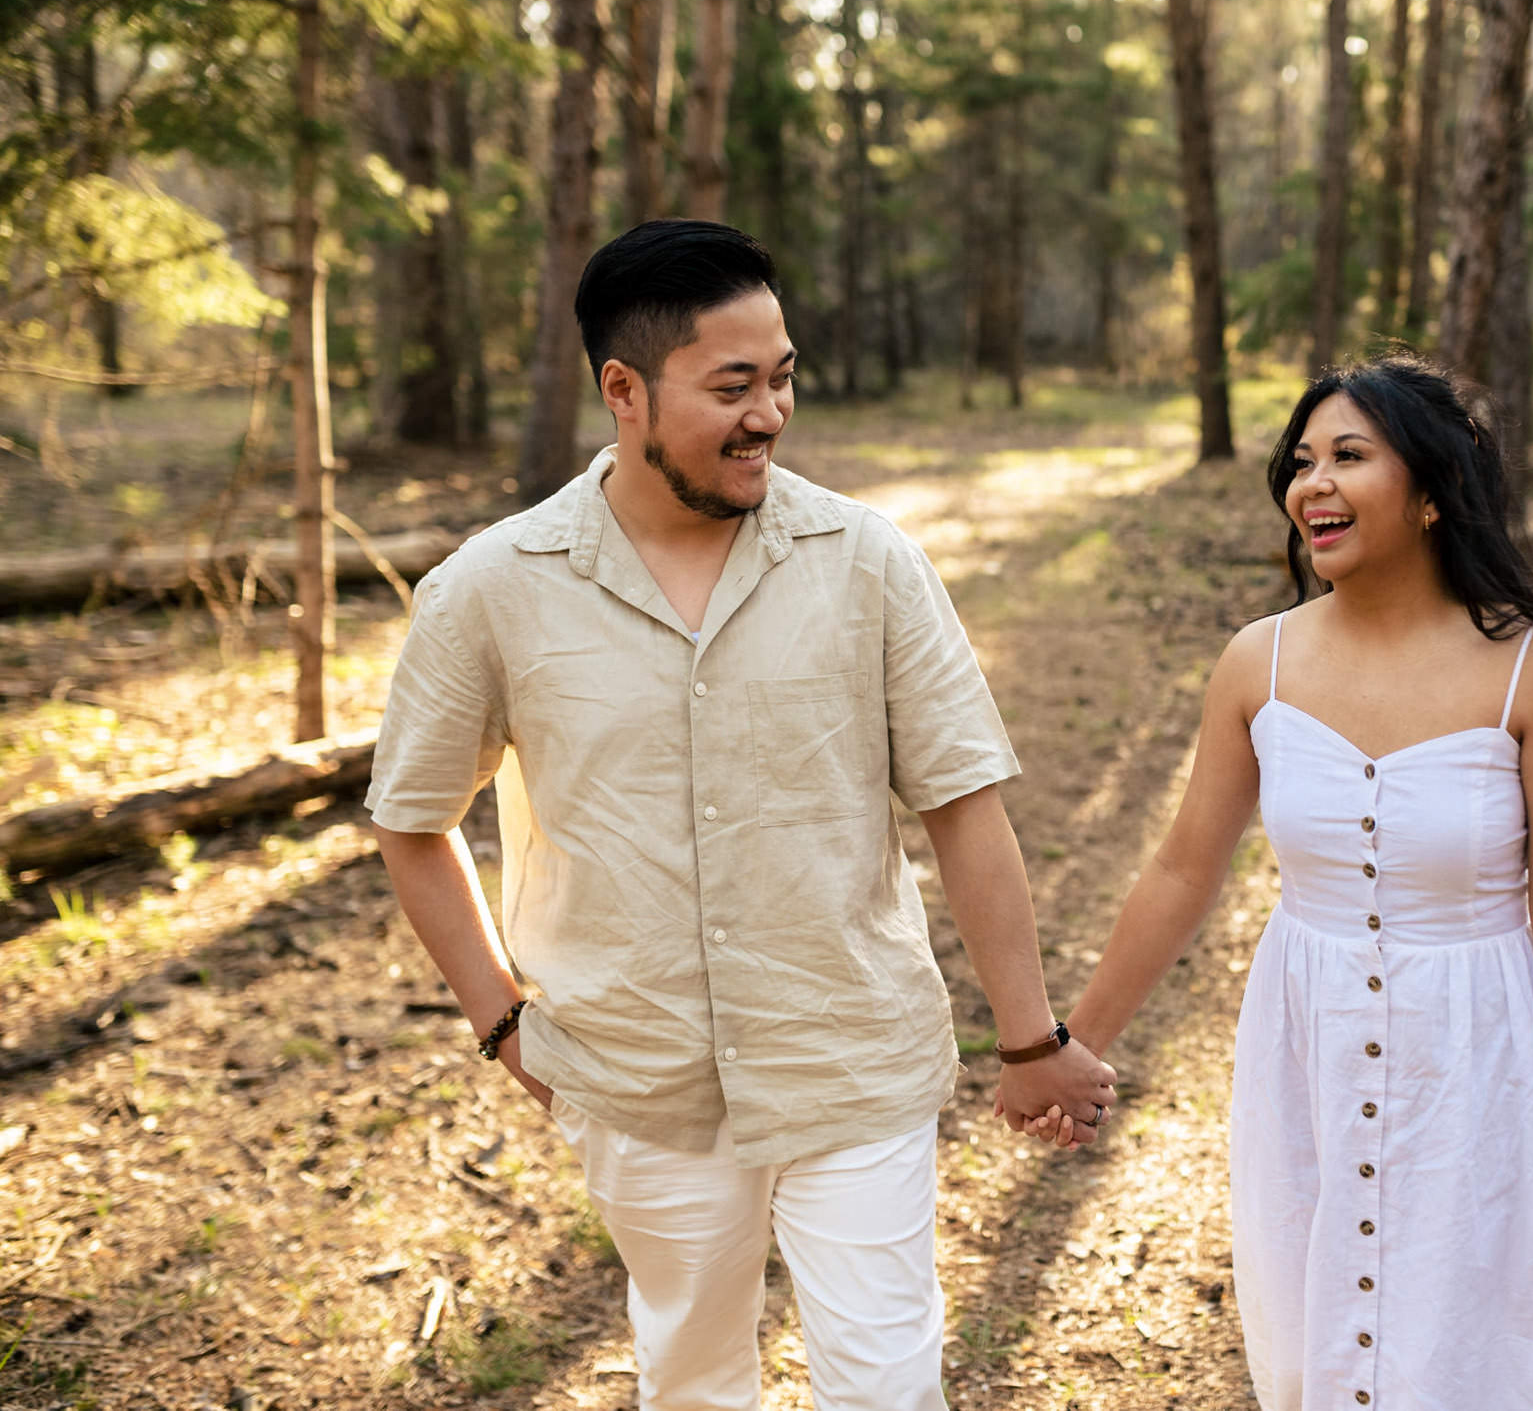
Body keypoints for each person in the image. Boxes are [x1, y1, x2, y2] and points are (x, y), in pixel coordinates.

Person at [366, 219, 1115, 1411]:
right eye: (732, 385)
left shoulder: (868, 561)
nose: (770, 411)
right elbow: (412, 823)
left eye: (782, 377)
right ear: (624, 389)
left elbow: (965, 810)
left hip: (851, 1055)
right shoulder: (491, 590)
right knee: (696, 1376)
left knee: (887, 1385)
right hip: (636, 1076)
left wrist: (1030, 1042)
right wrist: (503, 1025)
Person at [1032, 355, 1533, 1409]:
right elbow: (1184, 866)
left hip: (1480, 1056)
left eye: (1348, 457)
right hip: (1305, 1043)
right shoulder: (1256, 663)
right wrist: (1074, 1040)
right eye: (1300, 461)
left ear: (1430, 492)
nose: (1310, 484)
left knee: (1482, 1341)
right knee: (1326, 1338)